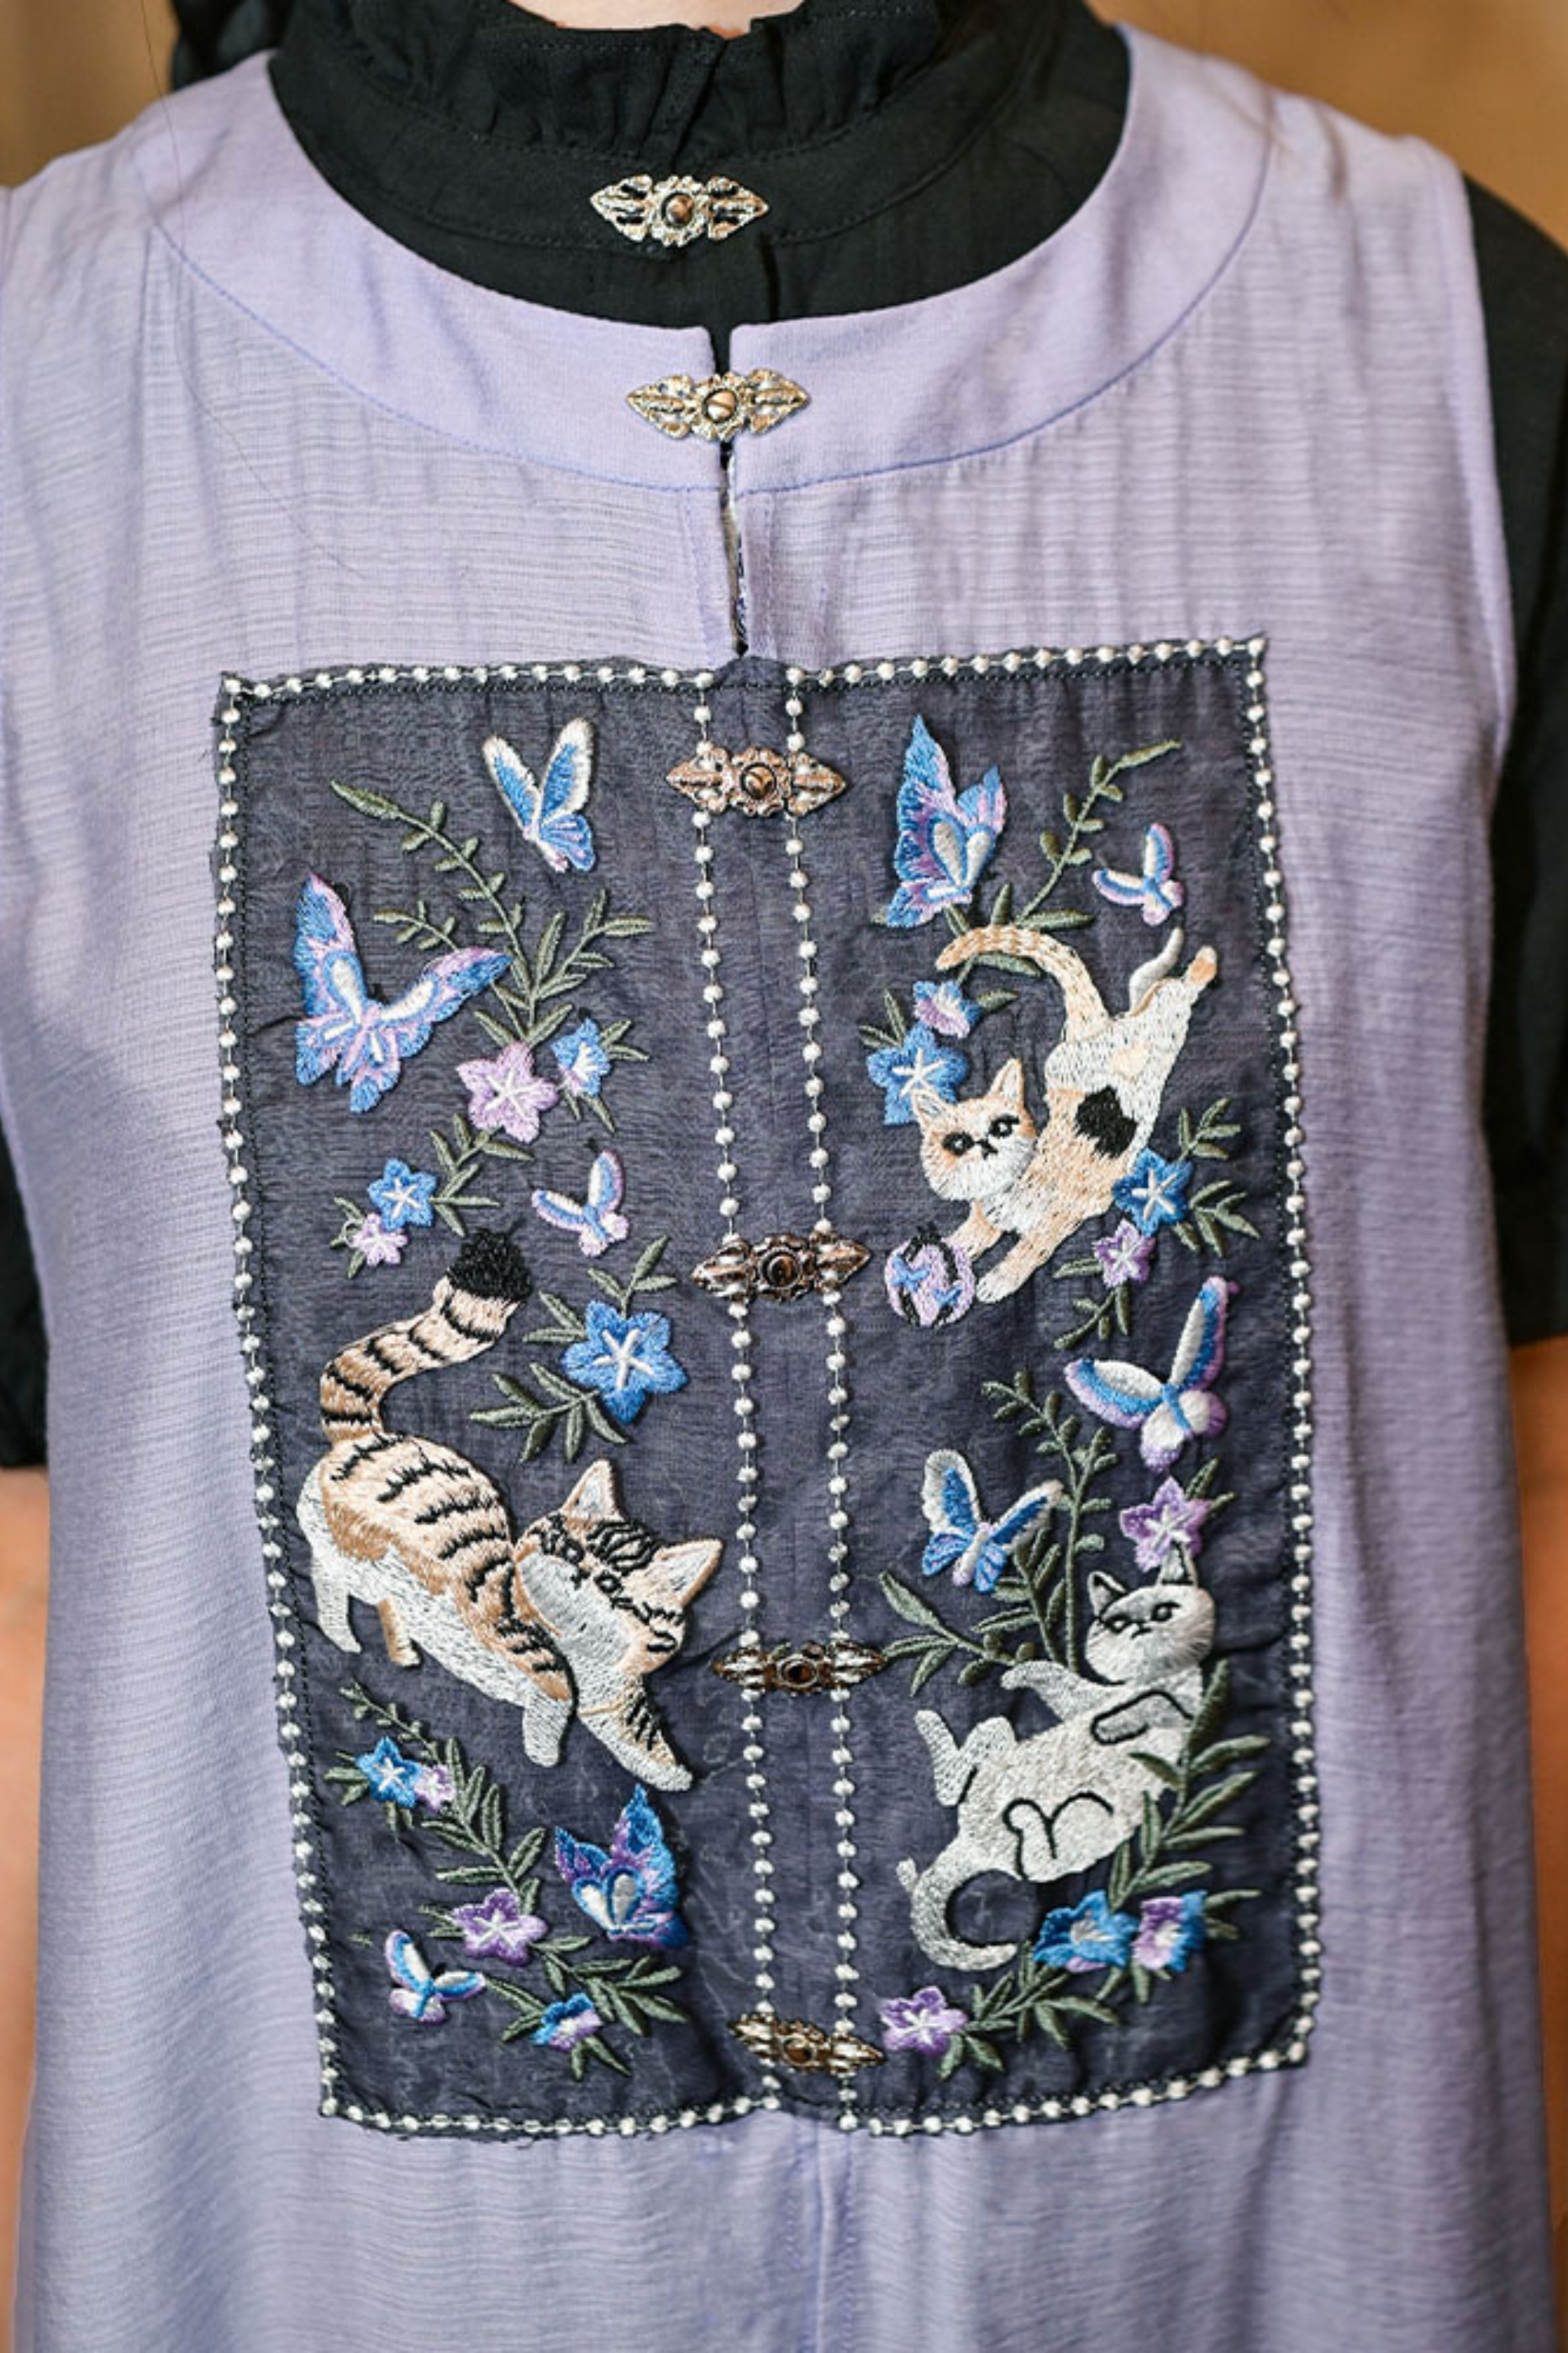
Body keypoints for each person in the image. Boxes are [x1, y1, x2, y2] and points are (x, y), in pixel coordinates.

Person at [1, 1, 1565, 2345]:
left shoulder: (1443, 339)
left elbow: (1527, 1479)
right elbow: (34, 1575)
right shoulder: (44, 385)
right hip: (346, 2269)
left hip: (1238, 2252)